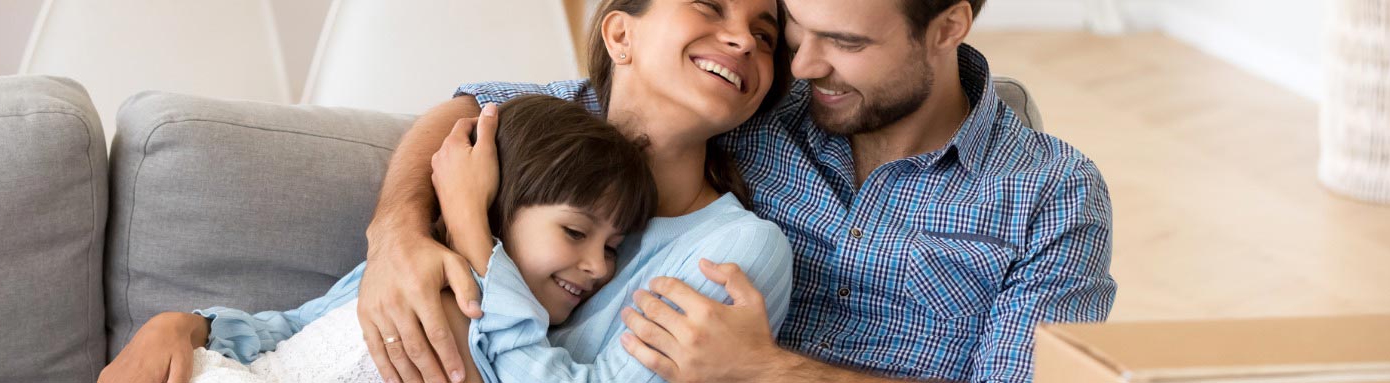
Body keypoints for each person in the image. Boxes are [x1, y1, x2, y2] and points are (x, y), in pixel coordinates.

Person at [357, 0, 1116, 382]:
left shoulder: (1051, 196)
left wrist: (768, 370)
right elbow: (485, 107)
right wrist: (395, 230)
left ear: (948, 25)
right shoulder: (749, 109)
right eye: (792, 34)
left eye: (845, 43)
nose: (806, 66)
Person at [98, 0, 795, 381]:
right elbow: (331, 321)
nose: (741, 40)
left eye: (765, 37)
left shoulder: (734, 248)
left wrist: (471, 228)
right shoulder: (515, 155)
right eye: (710, 6)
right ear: (620, 32)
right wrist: (187, 325)